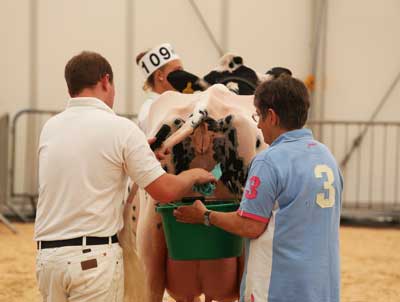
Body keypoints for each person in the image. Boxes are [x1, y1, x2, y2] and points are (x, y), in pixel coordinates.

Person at [34, 51, 215, 302]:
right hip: (92, 261)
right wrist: (193, 175)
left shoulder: (50, 128)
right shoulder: (120, 128)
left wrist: (141, 151)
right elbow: (163, 190)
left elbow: (94, 161)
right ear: (106, 81)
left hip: (48, 260)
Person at [174, 74, 343, 302]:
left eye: (259, 117)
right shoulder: (326, 156)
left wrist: (205, 215)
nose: (259, 125)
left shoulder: (268, 161)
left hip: (278, 287)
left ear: (271, 116)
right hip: (322, 287)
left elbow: (250, 225)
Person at [136, 43, 183, 135]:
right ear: (160, 75)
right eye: (178, 71)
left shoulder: (169, 105)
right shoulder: (150, 111)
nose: (184, 76)